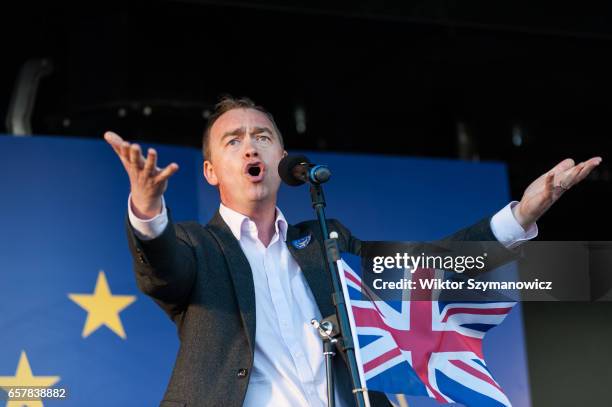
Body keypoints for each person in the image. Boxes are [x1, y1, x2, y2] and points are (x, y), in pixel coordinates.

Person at [104, 96, 601, 407]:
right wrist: (148, 210)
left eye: (262, 137)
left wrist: (519, 217)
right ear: (211, 170)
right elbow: (163, 269)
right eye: (233, 141)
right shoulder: (198, 245)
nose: (251, 147)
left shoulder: (324, 242)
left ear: (281, 158)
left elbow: (421, 274)